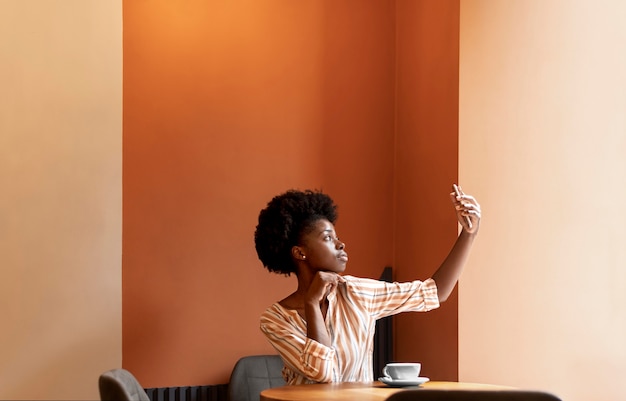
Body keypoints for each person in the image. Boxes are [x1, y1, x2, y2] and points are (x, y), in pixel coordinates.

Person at [254, 186, 481, 385]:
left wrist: (468, 235)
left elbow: (434, 292)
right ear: (299, 252)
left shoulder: (358, 292)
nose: (341, 244)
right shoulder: (275, 319)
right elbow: (322, 372)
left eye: (337, 237)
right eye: (327, 238)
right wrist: (312, 303)